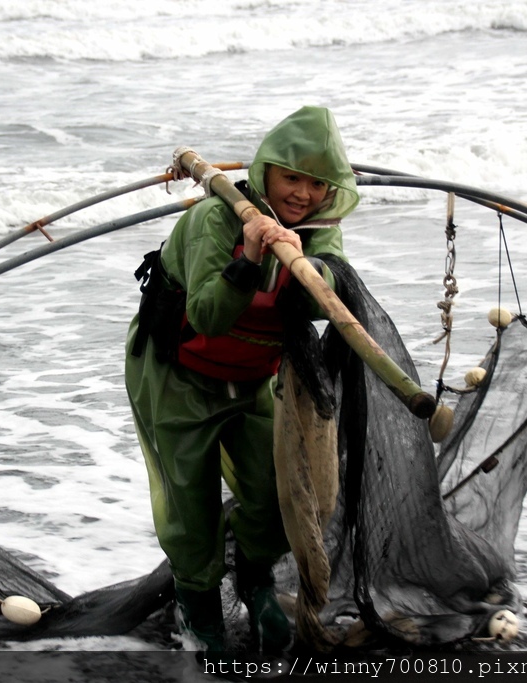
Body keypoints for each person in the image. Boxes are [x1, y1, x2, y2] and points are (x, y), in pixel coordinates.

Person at [124, 106, 360, 652]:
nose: (303, 194)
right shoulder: (216, 220)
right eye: (292, 178)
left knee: (276, 494)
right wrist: (252, 254)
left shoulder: (321, 230)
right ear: (266, 173)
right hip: (177, 374)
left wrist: (309, 266)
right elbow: (207, 314)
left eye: (317, 184)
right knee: (191, 504)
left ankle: (255, 585)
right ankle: (198, 607)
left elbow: (327, 296)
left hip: (254, 374)